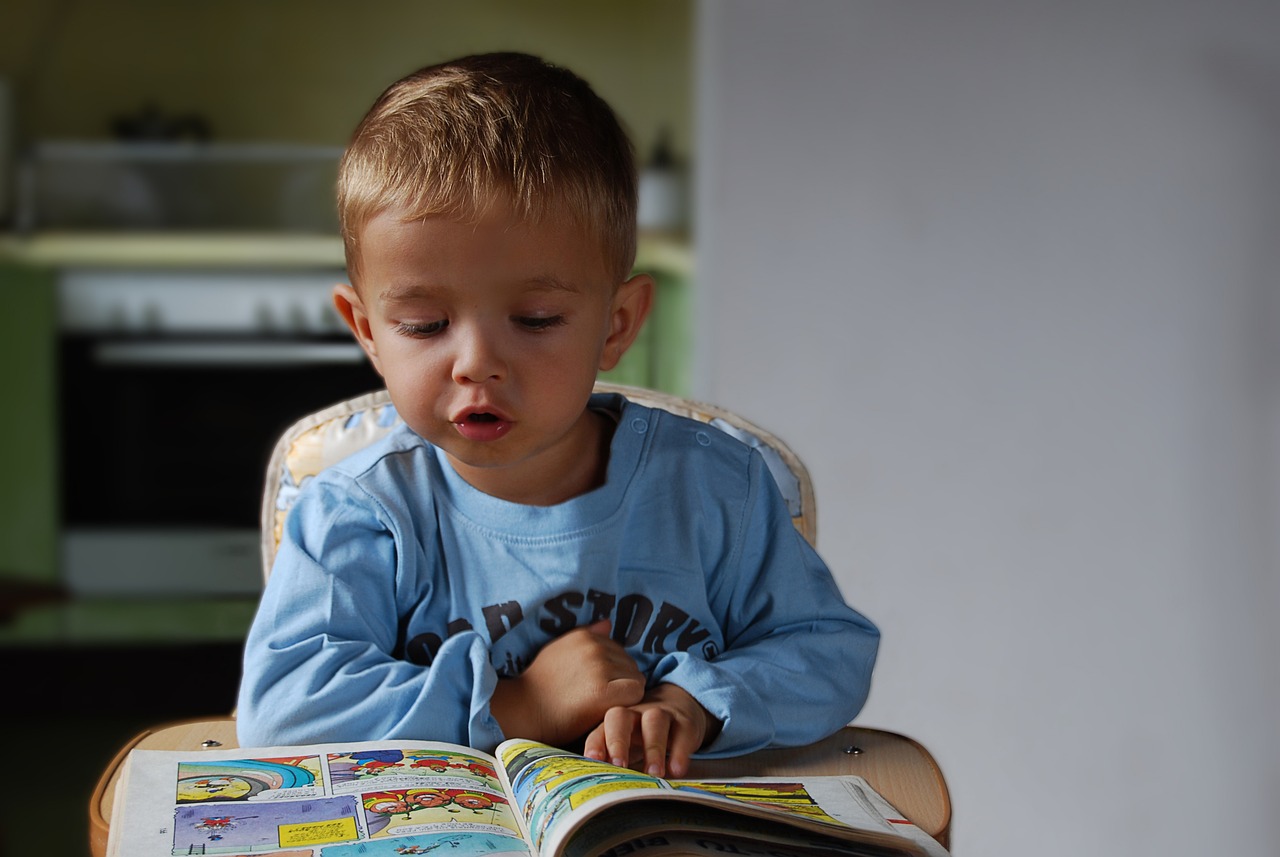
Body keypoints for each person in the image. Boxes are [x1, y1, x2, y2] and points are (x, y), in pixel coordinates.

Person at [236, 52, 879, 778]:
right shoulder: (360, 514)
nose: (475, 362)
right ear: (365, 331)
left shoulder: (714, 487)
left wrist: (693, 701)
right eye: (422, 324)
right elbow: (284, 707)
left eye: (536, 319)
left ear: (616, 323)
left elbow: (828, 650)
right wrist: (518, 703)